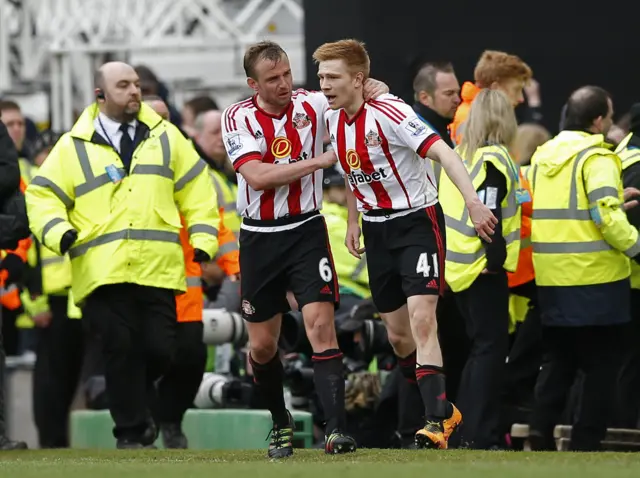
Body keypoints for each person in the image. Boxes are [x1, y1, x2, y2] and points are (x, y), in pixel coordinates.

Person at [25, 62, 220, 449]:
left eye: (135, 84)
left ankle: (141, 408)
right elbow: (42, 195)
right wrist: (59, 235)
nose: (133, 91)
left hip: (159, 267)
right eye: (123, 85)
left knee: (160, 350)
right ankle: (131, 432)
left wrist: (203, 239)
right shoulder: (72, 145)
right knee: (120, 346)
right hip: (101, 269)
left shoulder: (167, 137)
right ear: (100, 95)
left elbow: (198, 188)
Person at [313, 39, 496, 450]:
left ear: (358, 79)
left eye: (333, 76)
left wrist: (472, 202)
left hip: (417, 223)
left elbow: (445, 155)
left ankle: (435, 422)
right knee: (398, 338)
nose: (324, 84)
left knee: (423, 319)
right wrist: (354, 223)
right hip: (377, 230)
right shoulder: (332, 118)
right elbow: (356, 171)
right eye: (321, 76)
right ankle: (445, 410)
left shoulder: (393, 112)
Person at [221, 40, 388, 458]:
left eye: (287, 75)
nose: (283, 84)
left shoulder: (313, 104)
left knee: (320, 326)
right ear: (252, 83)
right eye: (272, 79)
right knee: (262, 346)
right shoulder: (237, 117)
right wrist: (320, 161)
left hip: (306, 231)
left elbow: (358, 91)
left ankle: (336, 431)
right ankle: (281, 422)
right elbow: (257, 176)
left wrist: (373, 87)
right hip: (259, 236)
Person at [528, 86, 640, 451]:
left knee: (558, 361)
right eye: (608, 117)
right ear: (598, 121)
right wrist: (637, 248)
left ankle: (538, 433)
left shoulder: (544, 156)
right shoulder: (598, 158)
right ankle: (585, 441)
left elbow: (568, 209)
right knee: (602, 366)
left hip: (550, 276)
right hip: (596, 278)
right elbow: (605, 216)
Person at [143, 95, 240, 448]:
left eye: (166, 118)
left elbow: (214, 220)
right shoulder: (120, 164)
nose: (160, 125)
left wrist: (234, 266)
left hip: (184, 284)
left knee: (190, 358)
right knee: (150, 356)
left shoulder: (187, 166)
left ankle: (169, 421)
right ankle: (149, 422)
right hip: (141, 283)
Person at [439, 89, 522, 449]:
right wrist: (495, 261)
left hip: (456, 267)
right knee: (489, 351)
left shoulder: (461, 156)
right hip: (481, 267)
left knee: (477, 351)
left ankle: (464, 432)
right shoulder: (495, 159)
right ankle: (480, 433)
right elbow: (488, 212)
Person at [450, 50, 537, 146]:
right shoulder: (469, 118)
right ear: (495, 88)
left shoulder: (484, 116)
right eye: (516, 90)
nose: (521, 99)